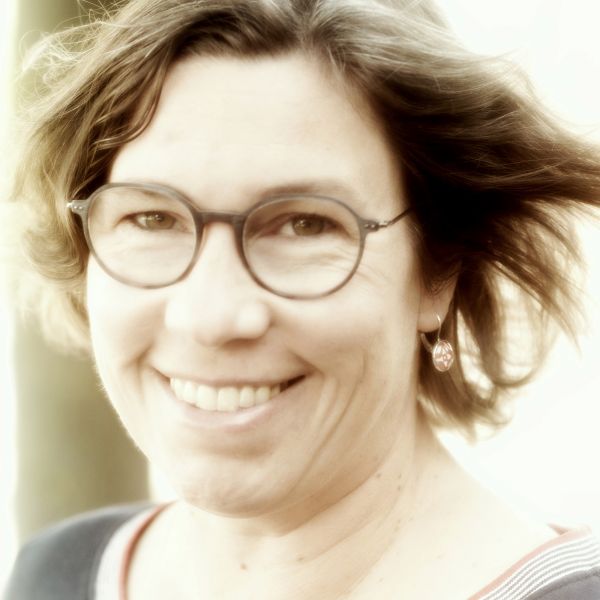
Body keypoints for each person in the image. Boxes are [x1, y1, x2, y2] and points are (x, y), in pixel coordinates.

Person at [5, 0, 600, 598]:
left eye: (304, 225)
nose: (211, 317)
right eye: (152, 218)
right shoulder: (58, 575)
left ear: (438, 271)